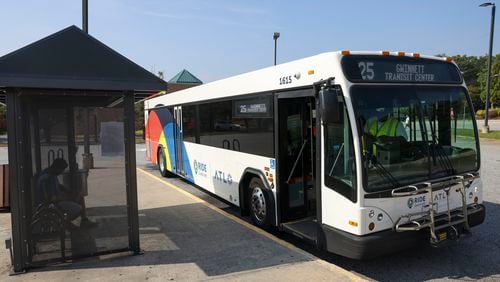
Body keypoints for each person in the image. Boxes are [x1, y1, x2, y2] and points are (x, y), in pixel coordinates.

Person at [36, 158, 96, 228]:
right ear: (57, 168)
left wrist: (67, 190)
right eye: (61, 170)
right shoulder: (46, 178)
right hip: (51, 205)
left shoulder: (50, 173)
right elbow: (51, 199)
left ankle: (84, 221)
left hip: (56, 199)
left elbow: (57, 185)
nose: (61, 172)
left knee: (79, 196)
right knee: (79, 208)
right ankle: (65, 223)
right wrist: (68, 198)